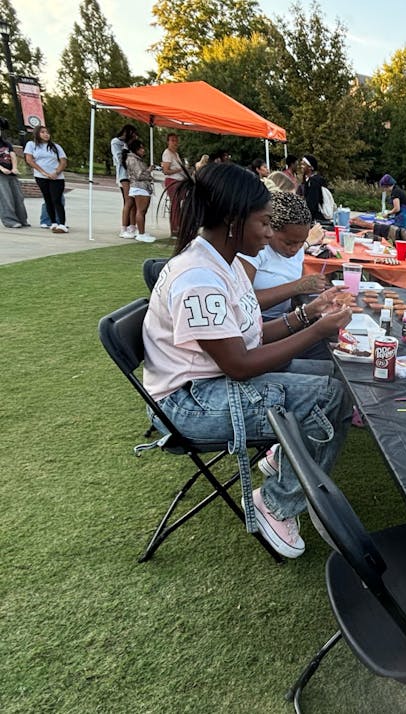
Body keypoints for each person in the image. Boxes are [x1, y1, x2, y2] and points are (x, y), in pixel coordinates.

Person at [142, 162, 353, 558]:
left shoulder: (227, 264)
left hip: (212, 385)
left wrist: (310, 312)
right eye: (264, 223)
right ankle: (276, 504)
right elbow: (239, 364)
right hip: (188, 404)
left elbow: (250, 335)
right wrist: (316, 332)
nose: (270, 233)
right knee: (327, 395)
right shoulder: (199, 279)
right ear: (233, 220)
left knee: (337, 381)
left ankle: (288, 462)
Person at [238, 190, 327, 321]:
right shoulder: (254, 249)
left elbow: (296, 294)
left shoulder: (296, 249)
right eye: (289, 243)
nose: (296, 249)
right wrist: (297, 287)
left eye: (302, 242)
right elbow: (242, 303)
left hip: (283, 319)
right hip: (253, 322)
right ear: (270, 228)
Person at [24, 126, 68, 233]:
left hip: (56, 177)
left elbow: (63, 161)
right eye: (43, 132)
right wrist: (43, 172)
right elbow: (29, 160)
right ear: (37, 134)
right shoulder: (31, 145)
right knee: (47, 200)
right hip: (41, 177)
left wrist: (56, 172)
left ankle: (62, 224)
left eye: (47, 132)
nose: (46, 134)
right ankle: (53, 222)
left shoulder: (56, 147)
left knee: (56, 199)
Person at [124, 139, 156, 243]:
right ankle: (141, 234)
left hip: (140, 187)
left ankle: (141, 231)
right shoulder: (133, 159)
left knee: (142, 211)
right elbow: (139, 175)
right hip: (140, 186)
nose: (143, 150)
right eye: (141, 148)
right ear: (136, 149)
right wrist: (149, 173)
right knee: (141, 211)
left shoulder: (136, 159)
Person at [111, 124, 138, 237]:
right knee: (129, 200)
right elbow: (119, 158)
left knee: (134, 201)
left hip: (132, 174)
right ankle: (124, 228)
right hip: (124, 174)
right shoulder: (116, 142)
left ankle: (132, 226)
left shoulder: (129, 144)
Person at [0, 120, 28, 228]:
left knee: (18, 197)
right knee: (5, 198)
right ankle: (10, 221)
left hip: (11, 174)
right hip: (1, 175)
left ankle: (22, 219)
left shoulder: (6, 144)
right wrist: (2, 169)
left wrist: (15, 168)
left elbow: (13, 155)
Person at [160, 133, 184, 239]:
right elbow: (166, 170)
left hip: (179, 181)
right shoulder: (167, 153)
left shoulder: (176, 154)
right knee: (175, 205)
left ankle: (178, 227)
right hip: (173, 181)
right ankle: (174, 229)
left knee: (179, 205)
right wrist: (179, 170)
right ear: (168, 142)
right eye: (172, 140)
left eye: (176, 140)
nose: (175, 143)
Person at [299, 154, 329, 222]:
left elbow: (312, 204)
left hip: (316, 218)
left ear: (311, 167)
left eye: (304, 164)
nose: (301, 166)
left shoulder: (314, 181)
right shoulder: (309, 180)